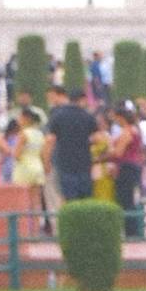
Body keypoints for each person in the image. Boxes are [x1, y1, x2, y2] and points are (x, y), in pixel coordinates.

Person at [45, 80, 97, 219]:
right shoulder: (88, 117)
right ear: (82, 99)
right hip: (84, 164)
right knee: (85, 202)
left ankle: (71, 230)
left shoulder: (58, 116)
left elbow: (50, 141)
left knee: (68, 201)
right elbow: (97, 138)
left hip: (65, 164)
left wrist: (46, 162)